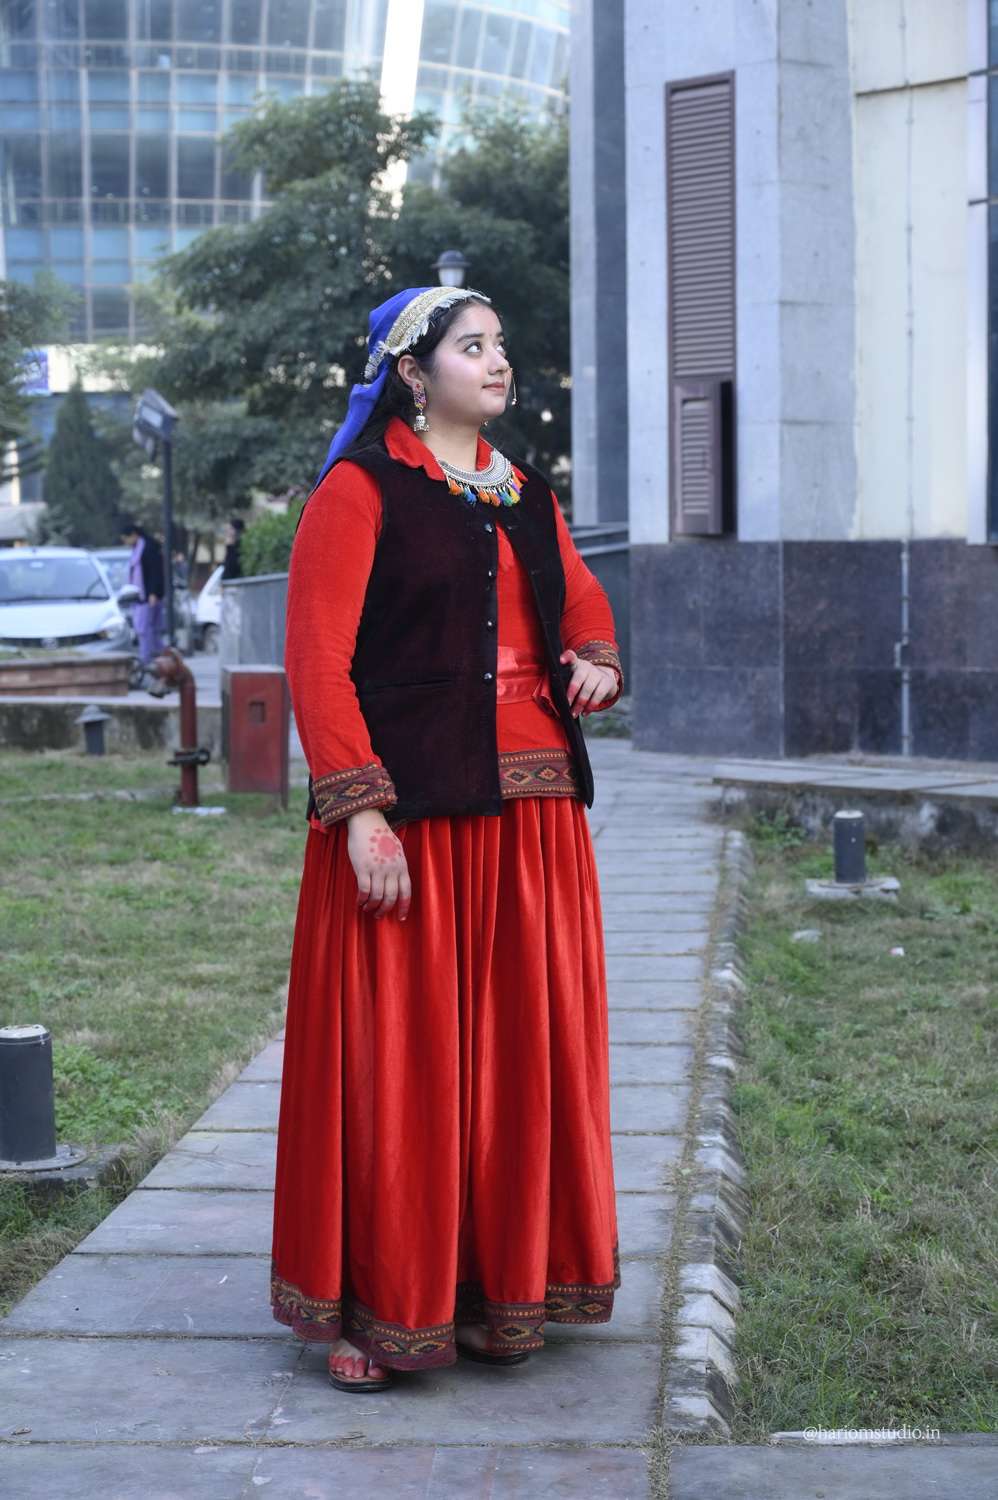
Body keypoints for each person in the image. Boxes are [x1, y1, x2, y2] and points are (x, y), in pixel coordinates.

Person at [270, 285, 625, 1394]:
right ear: (414, 374)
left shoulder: (526, 493)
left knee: (517, 1059)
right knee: (403, 1067)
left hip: (533, 823)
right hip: (411, 816)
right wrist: (361, 809)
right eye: (473, 347)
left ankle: (495, 1288)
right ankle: (381, 1300)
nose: (498, 361)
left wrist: (597, 659)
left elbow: (580, 602)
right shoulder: (359, 490)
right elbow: (316, 662)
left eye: (500, 345)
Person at [119, 517, 165, 666]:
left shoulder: (148, 548)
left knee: (145, 630)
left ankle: (149, 660)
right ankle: (157, 659)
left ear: (133, 535)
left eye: (126, 539)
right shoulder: (137, 549)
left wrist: (153, 593)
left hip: (148, 596)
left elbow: (154, 572)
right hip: (140, 596)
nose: (126, 543)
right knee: (147, 630)